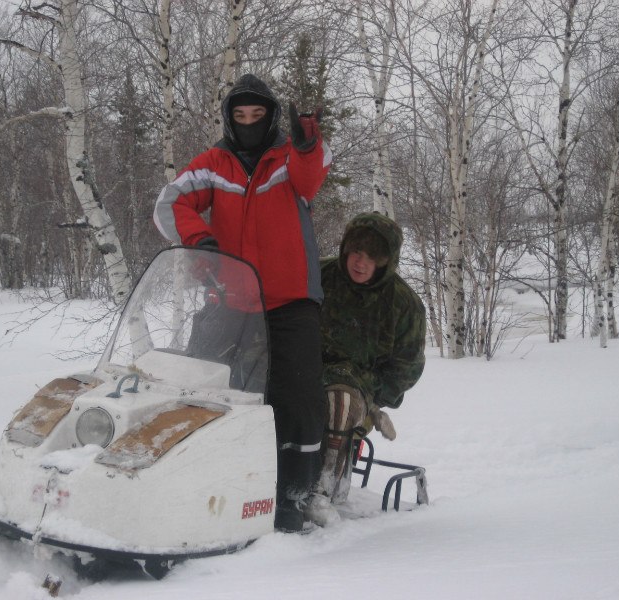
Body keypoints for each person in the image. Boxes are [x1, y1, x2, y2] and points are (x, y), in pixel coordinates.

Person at [153, 73, 332, 532]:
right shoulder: (214, 163)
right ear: (230, 119)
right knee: (202, 384)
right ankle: (194, 477)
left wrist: (307, 142)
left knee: (297, 397)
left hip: (292, 297)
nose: (249, 122)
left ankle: (295, 496)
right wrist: (201, 241)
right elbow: (170, 203)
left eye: (257, 115)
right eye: (240, 115)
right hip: (231, 294)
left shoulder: (289, 158)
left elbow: (311, 181)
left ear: (271, 117)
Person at [305, 212, 427, 526]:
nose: (360, 262)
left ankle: (322, 491)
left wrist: (373, 398)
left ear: (385, 262)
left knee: (340, 399)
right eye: (356, 253)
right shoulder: (317, 274)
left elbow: (406, 366)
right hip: (304, 372)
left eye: (371, 257)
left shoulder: (403, 304)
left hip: (357, 391)